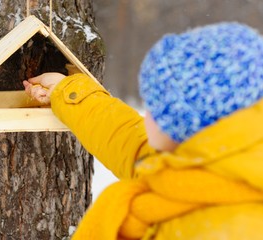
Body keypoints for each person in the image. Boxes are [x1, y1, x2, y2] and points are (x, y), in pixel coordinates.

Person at [23, 22, 263, 239]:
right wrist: (66, 91)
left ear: (182, 124)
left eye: (155, 108)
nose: (147, 116)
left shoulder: (221, 228)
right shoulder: (200, 170)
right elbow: (124, 138)